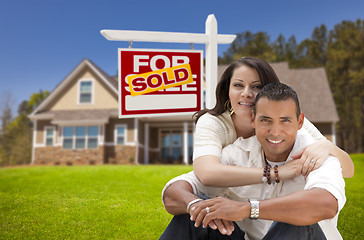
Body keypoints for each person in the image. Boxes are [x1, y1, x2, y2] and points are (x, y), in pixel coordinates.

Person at [161, 83, 345, 239]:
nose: (275, 131)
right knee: (193, 216)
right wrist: (195, 206)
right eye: (266, 120)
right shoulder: (238, 153)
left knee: (299, 221)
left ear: (299, 121)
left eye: (285, 121)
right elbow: (174, 192)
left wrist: (247, 209)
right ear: (253, 120)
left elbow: (325, 204)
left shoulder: (317, 155)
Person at [192, 57, 353, 189]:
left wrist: (327, 146)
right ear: (227, 90)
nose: (246, 93)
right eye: (238, 85)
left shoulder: (289, 122)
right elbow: (207, 173)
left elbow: (348, 170)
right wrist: (276, 172)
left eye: (256, 87)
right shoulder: (213, 124)